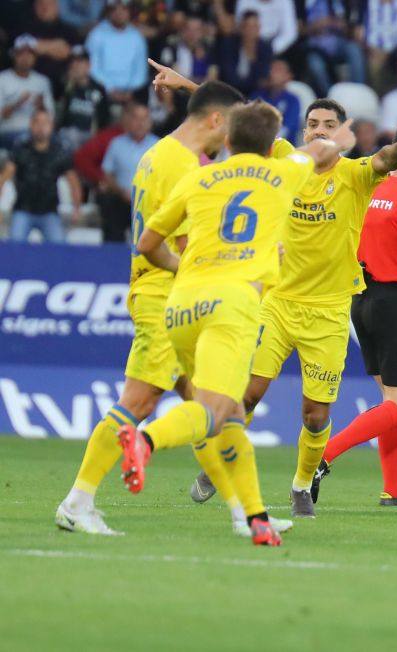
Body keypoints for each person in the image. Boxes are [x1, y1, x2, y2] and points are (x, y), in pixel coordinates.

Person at [187, 99, 397, 519]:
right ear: (303, 134)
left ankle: (302, 484)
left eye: (329, 125)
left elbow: (382, 159)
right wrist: (190, 87)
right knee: (248, 392)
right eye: (313, 124)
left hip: (329, 313)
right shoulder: (284, 157)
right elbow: (237, 113)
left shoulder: (354, 175)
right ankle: (217, 462)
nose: (320, 131)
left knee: (315, 414)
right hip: (278, 304)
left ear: (340, 134)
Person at [53, 79, 259, 537]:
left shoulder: (158, 155)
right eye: (230, 126)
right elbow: (175, 245)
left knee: (209, 407)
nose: (229, 139)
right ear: (215, 119)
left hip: (169, 295)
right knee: (140, 400)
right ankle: (76, 501)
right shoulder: (183, 166)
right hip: (165, 298)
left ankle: (246, 514)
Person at [124, 101, 318, 547]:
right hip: (231, 305)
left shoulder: (198, 175)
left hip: (181, 304)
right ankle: (144, 440)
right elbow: (320, 152)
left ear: (227, 140)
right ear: (271, 145)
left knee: (230, 418)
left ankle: (255, 519)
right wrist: (331, 140)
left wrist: (181, 267)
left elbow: (147, 242)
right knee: (212, 411)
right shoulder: (283, 171)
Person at [311, 125, 397, 508]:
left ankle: (395, 490)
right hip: (395, 300)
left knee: (389, 402)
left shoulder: (367, 189)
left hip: (361, 300)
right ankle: (321, 456)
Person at [1, 108, 80, 243]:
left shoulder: (59, 152)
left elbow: (73, 182)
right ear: (31, 125)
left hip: (50, 212)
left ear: (51, 126)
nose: (41, 127)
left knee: (59, 250)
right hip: (23, 210)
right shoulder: (20, 150)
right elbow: (3, 178)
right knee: (14, 249)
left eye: (45, 123)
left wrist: (76, 208)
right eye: (37, 122)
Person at [98, 102, 157, 242]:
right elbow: (107, 174)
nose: (140, 123)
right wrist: (121, 191)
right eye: (136, 118)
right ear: (128, 121)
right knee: (109, 205)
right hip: (121, 199)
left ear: (150, 122)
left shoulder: (159, 145)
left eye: (144, 119)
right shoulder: (116, 144)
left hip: (149, 202)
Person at [85, 0, 148, 104]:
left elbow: (141, 70)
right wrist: (110, 88)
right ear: (109, 11)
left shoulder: (137, 37)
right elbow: (91, 66)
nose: (119, 13)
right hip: (102, 90)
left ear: (129, 11)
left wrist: (130, 91)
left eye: (123, 9)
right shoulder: (96, 34)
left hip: (132, 93)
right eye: (115, 9)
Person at [0, 35, 55, 149]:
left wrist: (41, 105)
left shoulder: (42, 81)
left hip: (37, 133)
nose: (25, 58)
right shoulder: (2, 79)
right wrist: (17, 104)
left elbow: (51, 117)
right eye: (21, 54)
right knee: (24, 142)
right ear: (14, 55)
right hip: (9, 131)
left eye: (30, 54)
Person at [57, 45, 111, 150]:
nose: (75, 66)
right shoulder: (64, 85)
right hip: (68, 134)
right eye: (72, 62)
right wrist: (69, 85)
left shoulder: (98, 89)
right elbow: (59, 115)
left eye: (79, 62)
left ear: (88, 65)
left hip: (90, 135)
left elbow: (104, 118)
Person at [215, 10, 273, 96]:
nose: (251, 31)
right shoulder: (229, 44)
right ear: (241, 28)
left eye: (255, 27)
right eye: (248, 27)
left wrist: (252, 60)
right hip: (229, 92)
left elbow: (263, 79)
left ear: (259, 29)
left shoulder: (265, 48)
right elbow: (228, 76)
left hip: (255, 95)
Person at [251, 59, 300, 145]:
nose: (272, 73)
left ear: (289, 76)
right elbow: (249, 122)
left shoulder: (293, 100)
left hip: (284, 148)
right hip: (256, 146)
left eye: (278, 70)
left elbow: (285, 130)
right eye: (271, 69)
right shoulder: (257, 95)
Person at [233, 0, 298, 55]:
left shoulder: (285, 1)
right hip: (249, 44)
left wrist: (270, 49)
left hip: (275, 47)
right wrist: (251, 47)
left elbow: (290, 33)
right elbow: (240, 27)